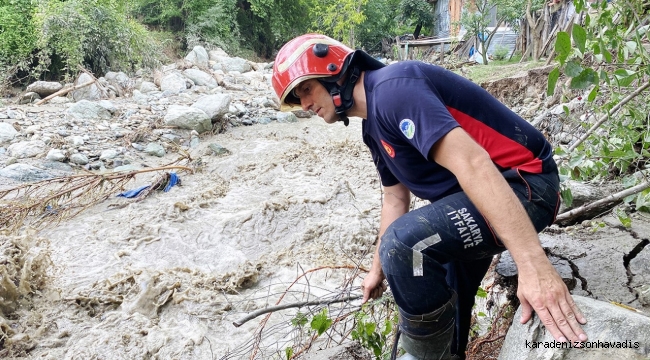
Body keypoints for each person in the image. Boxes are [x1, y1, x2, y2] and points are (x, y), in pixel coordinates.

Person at [271, 33, 588, 360]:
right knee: (437, 282)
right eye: (297, 97)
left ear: (334, 71)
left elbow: (474, 164)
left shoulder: (395, 91)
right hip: (478, 199)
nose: (305, 105)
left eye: (306, 89)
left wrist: (533, 265)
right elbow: (395, 198)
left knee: (407, 245)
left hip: (527, 186)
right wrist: (377, 269)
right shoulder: (373, 129)